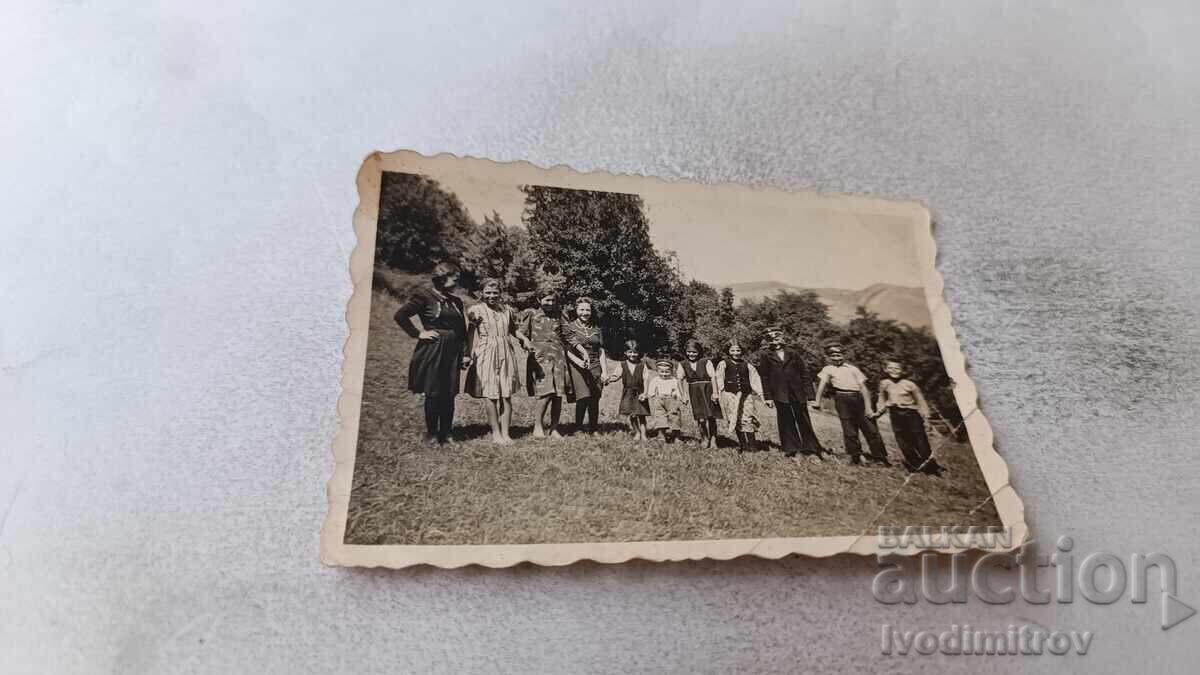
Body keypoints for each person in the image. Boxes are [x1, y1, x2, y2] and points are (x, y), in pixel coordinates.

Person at [393, 262, 468, 445]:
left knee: (449, 393)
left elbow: (462, 330)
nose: (457, 282)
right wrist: (418, 333)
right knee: (433, 392)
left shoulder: (456, 301)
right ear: (442, 278)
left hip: (452, 350)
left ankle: (447, 432)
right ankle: (432, 434)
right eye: (454, 278)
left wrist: (465, 353)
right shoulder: (424, 297)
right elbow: (400, 316)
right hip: (433, 349)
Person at [813, 344, 890, 466]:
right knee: (848, 429)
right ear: (829, 357)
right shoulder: (828, 369)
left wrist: (868, 407)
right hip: (841, 399)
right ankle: (855, 456)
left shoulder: (853, 369)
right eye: (833, 356)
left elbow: (863, 388)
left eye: (839, 355)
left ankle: (880, 457)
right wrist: (817, 401)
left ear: (843, 355)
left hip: (858, 398)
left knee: (870, 428)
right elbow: (822, 386)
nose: (836, 358)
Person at [465, 278, 520, 444]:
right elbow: (470, 333)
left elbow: (514, 330)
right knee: (491, 394)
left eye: (495, 293)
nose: (491, 296)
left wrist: (525, 339)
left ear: (500, 293)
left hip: (506, 352)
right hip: (486, 352)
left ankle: (506, 433)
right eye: (488, 292)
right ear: (482, 293)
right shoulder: (476, 310)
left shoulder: (507, 310)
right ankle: (496, 433)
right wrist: (467, 353)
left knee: (506, 394)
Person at [757, 326, 826, 459]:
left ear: (782, 338)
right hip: (779, 394)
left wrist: (811, 395)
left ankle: (811, 449)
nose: (775, 341)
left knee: (804, 420)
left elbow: (805, 374)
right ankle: (792, 449)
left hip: (797, 392)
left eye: (777, 338)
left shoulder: (793, 353)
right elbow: (764, 377)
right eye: (771, 339)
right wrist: (768, 397)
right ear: (768, 341)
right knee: (785, 421)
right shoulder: (765, 355)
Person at [874, 361, 945, 475]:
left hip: (911, 414)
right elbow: (881, 399)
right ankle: (914, 465)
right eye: (890, 368)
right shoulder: (884, 383)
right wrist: (878, 412)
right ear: (885, 370)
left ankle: (931, 467)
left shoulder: (910, 384)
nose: (893, 371)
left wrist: (926, 418)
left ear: (902, 370)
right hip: (895, 414)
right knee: (902, 441)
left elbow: (921, 401)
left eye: (897, 368)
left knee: (920, 440)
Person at [515, 288, 570, 439]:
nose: (550, 303)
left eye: (553, 300)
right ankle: (537, 427)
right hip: (540, 358)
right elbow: (519, 332)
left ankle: (554, 428)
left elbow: (568, 335)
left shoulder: (560, 315)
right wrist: (525, 340)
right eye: (547, 300)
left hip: (558, 357)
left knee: (558, 394)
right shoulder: (531, 314)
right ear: (539, 300)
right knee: (545, 393)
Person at [562, 297, 610, 434]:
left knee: (594, 398)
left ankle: (593, 428)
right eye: (581, 309)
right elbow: (567, 350)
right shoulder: (570, 327)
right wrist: (579, 362)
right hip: (577, 366)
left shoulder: (596, 328)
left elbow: (600, 350)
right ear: (576, 310)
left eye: (587, 310)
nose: (584, 312)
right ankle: (578, 427)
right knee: (583, 397)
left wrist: (605, 371)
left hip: (595, 365)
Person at [713, 339, 765, 452]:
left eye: (738, 350)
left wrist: (760, 393)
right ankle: (743, 444)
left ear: (741, 351)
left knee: (748, 417)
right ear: (728, 351)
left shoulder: (747, 365)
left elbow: (755, 379)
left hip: (746, 395)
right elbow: (719, 378)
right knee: (735, 417)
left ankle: (752, 444)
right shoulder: (723, 364)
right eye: (733, 350)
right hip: (730, 395)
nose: (735, 353)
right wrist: (720, 391)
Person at [677, 339, 722, 449]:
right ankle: (704, 438)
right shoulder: (683, 364)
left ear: (699, 352)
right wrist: (683, 395)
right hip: (694, 392)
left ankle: (713, 440)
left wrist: (715, 392)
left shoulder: (706, 361)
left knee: (711, 417)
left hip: (708, 390)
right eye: (689, 352)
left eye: (694, 352)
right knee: (700, 418)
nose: (691, 354)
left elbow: (713, 377)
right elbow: (679, 380)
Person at [616, 339, 652, 440]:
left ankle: (644, 435)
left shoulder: (642, 364)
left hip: (640, 392)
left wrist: (645, 393)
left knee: (641, 414)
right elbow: (616, 375)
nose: (633, 354)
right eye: (630, 352)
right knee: (632, 414)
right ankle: (637, 432)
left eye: (635, 352)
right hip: (627, 393)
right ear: (625, 352)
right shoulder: (622, 364)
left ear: (639, 352)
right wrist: (609, 379)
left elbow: (646, 379)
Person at [646, 358, 685, 443]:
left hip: (672, 400)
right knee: (660, 417)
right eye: (661, 372)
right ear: (657, 371)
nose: (664, 374)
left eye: (667, 372)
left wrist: (678, 396)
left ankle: (677, 435)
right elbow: (651, 389)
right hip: (659, 400)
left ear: (671, 371)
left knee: (675, 417)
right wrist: (651, 395)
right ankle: (661, 435)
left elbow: (677, 389)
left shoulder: (673, 380)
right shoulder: (655, 380)